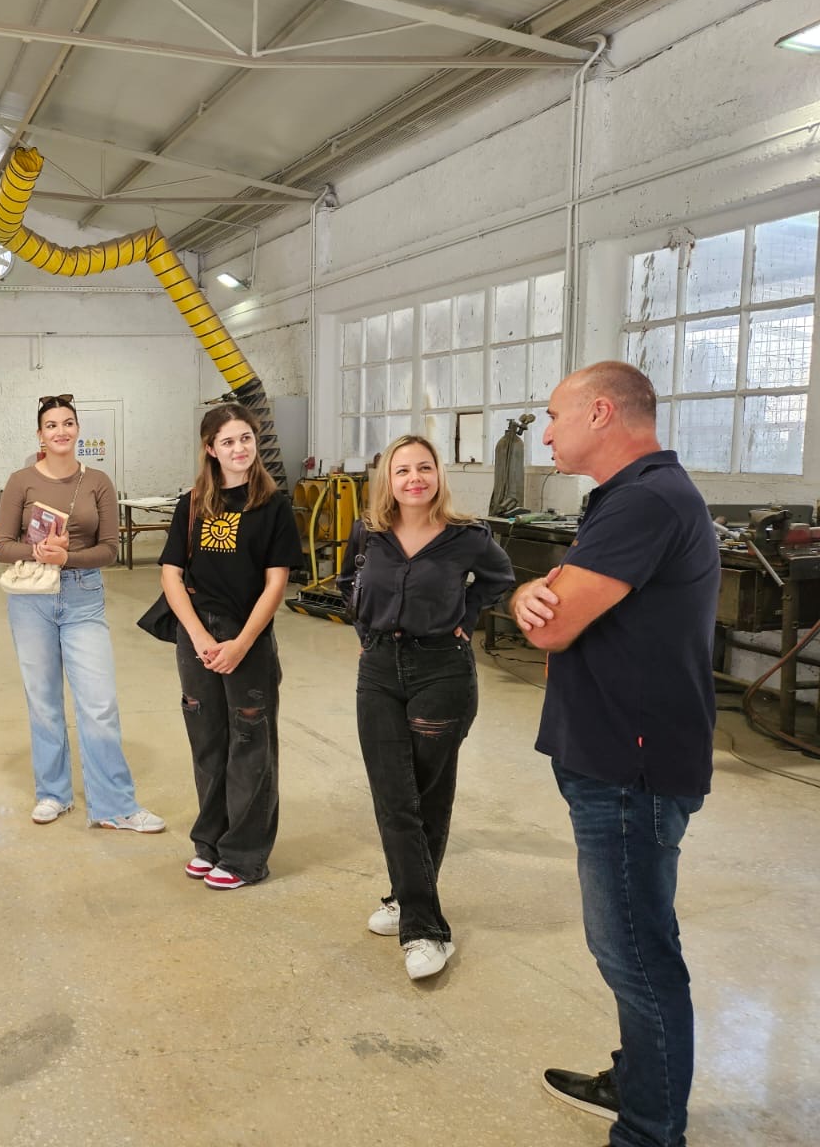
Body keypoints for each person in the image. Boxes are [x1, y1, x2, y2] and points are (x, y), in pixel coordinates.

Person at [511, 362, 716, 1147]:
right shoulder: (634, 499)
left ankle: (650, 1129)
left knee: (635, 952)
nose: (551, 432)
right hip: (614, 755)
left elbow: (552, 622)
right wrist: (535, 594)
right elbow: (550, 594)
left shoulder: (645, 500)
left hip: (631, 768)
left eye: (557, 416)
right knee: (631, 941)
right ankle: (637, 1083)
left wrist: (541, 602)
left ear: (602, 413)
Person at [338, 434, 513, 979]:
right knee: (395, 798)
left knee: (427, 797)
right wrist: (364, 624)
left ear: (439, 474)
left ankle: (419, 922)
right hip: (379, 672)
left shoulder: (468, 536)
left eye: (424, 468)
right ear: (387, 480)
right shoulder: (369, 532)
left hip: (443, 670)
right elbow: (348, 580)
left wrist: (468, 615)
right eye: (402, 470)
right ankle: (419, 914)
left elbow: (499, 580)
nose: (414, 478)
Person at [0, 394, 164, 833]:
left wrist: (66, 558)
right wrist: (39, 551)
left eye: (68, 423)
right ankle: (53, 793)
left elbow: (109, 549)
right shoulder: (20, 481)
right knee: (44, 701)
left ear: (77, 430)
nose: (61, 431)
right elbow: (0, 547)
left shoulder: (98, 482)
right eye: (51, 425)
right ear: (40, 434)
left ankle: (115, 805)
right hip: (31, 600)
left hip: (83, 596)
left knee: (99, 702)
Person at [159, 402, 300, 889]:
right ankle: (210, 843)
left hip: (249, 635)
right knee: (208, 741)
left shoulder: (275, 506)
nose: (239, 449)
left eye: (246, 438)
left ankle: (245, 856)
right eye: (228, 441)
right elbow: (171, 574)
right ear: (210, 449)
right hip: (196, 633)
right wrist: (198, 636)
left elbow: (276, 583)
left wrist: (241, 643)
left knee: (250, 743)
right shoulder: (193, 503)